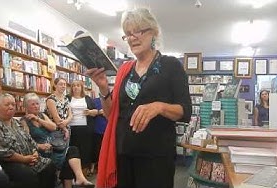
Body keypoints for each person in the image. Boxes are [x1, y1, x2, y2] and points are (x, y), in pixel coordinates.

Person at [86, 8, 192, 188]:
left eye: (139, 31)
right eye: (128, 34)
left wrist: (159, 107)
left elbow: (185, 111)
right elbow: (112, 115)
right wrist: (104, 89)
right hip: (124, 153)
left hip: (156, 156)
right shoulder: (124, 70)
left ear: (154, 32)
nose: (133, 37)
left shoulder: (171, 65)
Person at [0, 93, 56, 188]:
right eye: (7, 105)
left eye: (13, 104)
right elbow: (0, 152)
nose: (11, 107)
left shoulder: (16, 122)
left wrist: (34, 153)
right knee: (28, 175)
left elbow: (30, 140)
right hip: (8, 162)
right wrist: (24, 159)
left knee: (49, 166)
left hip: (29, 158)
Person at [21, 92, 93, 188]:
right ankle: (76, 181)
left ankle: (80, 179)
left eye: (37, 103)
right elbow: (26, 140)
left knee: (73, 150)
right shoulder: (24, 121)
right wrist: (39, 146)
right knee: (67, 160)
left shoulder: (42, 116)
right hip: (41, 152)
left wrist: (38, 119)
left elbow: (53, 127)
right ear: (26, 106)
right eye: (32, 104)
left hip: (54, 148)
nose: (36, 106)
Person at [67, 80, 100, 173]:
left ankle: (84, 172)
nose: (76, 87)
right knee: (73, 150)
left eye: (78, 85)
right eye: (73, 86)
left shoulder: (88, 98)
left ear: (82, 88)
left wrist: (90, 112)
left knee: (85, 151)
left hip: (86, 129)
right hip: (71, 128)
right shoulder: (67, 98)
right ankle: (73, 172)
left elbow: (95, 112)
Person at [45, 77, 72, 169]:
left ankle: (62, 178)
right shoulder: (51, 99)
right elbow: (56, 118)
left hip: (66, 128)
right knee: (57, 155)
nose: (63, 86)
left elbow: (70, 115)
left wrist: (66, 123)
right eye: (61, 84)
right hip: (56, 130)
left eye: (64, 84)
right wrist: (64, 128)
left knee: (65, 154)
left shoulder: (66, 98)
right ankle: (55, 178)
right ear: (55, 85)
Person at [90, 95, 107, 175]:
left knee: (105, 149)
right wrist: (98, 112)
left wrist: (107, 112)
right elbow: (90, 112)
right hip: (97, 128)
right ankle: (93, 166)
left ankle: (103, 167)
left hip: (107, 128)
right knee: (96, 148)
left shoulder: (112, 100)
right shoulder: (94, 101)